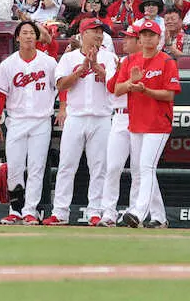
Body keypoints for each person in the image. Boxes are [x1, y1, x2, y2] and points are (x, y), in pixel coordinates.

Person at [46, 17, 116, 226]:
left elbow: (114, 85)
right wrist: (79, 71)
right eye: (94, 31)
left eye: (101, 31)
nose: (99, 35)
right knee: (67, 165)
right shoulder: (69, 58)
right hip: (75, 117)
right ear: (83, 34)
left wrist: (96, 67)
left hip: (102, 117)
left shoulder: (110, 57)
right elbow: (60, 85)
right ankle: (60, 211)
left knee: (99, 167)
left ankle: (95, 211)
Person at [111, 18, 180, 228]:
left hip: (158, 122)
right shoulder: (129, 61)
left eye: (152, 35)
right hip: (136, 121)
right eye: (144, 35)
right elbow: (117, 89)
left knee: (146, 166)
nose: (148, 38)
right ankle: (159, 216)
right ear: (139, 39)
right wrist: (131, 83)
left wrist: (145, 90)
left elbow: (169, 95)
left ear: (159, 39)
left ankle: (138, 213)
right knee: (141, 169)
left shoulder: (167, 61)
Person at [0, 20, 57, 225]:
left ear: (37, 37)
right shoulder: (8, 64)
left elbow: (61, 86)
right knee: (15, 166)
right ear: (17, 37)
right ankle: (15, 210)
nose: (28, 36)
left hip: (41, 121)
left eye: (32, 33)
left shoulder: (48, 62)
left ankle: (30, 210)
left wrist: (63, 108)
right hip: (16, 121)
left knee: (37, 167)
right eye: (24, 33)